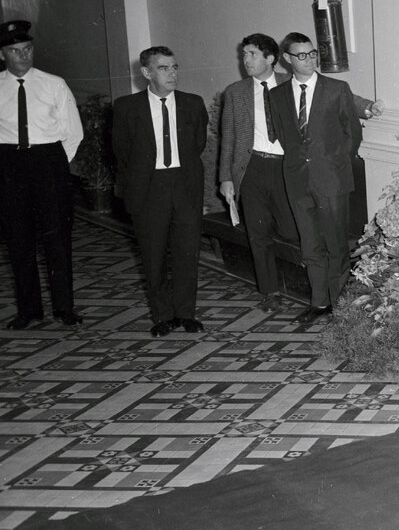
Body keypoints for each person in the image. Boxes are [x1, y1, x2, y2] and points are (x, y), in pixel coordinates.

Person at [0, 19, 83, 328]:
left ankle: (64, 308)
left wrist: (52, 164)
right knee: (18, 239)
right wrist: (11, 163)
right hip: (10, 164)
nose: (23, 56)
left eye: (27, 49)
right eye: (15, 51)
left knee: (57, 237)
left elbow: (73, 132)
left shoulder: (54, 83)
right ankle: (29, 310)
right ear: (2, 55)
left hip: (49, 161)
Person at [112, 47, 209, 335]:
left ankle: (186, 313)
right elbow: (123, 152)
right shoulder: (127, 107)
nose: (172, 73)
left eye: (174, 67)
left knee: (187, 253)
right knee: (153, 255)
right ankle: (162, 316)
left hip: (184, 186)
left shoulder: (193, 103)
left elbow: (198, 145)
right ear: (146, 73)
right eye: (164, 68)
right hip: (149, 188)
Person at [270, 31, 362, 326]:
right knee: (310, 246)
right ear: (287, 59)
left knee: (336, 245)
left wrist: (334, 166)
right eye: (301, 55)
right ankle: (319, 303)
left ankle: (341, 308)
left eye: (312, 54)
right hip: (298, 180)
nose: (308, 60)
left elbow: (352, 134)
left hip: (332, 181)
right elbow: (286, 136)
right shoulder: (277, 95)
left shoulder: (337, 89)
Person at [218, 33, 296, 311]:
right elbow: (227, 138)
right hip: (252, 169)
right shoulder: (235, 92)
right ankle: (270, 291)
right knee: (258, 234)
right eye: (244, 54)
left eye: (251, 54)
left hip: (287, 168)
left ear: (271, 58)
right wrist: (226, 177)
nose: (245, 60)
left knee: (292, 229)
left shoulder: (291, 84)